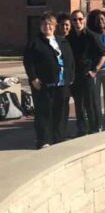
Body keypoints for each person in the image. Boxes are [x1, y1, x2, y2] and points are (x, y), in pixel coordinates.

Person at [24, 12, 75, 149]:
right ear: (41, 26)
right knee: (44, 113)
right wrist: (33, 78)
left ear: (54, 26)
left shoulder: (62, 41)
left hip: (62, 84)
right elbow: (28, 62)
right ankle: (44, 140)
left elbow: (70, 61)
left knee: (61, 112)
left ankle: (59, 137)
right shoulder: (35, 42)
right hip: (44, 84)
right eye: (44, 24)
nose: (47, 26)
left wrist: (70, 77)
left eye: (50, 24)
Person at [67, 9, 105, 137]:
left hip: (87, 74)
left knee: (90, 103)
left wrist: (95, 70)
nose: (77, 22)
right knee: (78, 105)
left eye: (80, 19)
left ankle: (94, 129)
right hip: (75, 76)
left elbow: (103, 54)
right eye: (74, 19)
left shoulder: (91, 35)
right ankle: (82, 130)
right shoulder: (69, 37)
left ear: (84, 19)